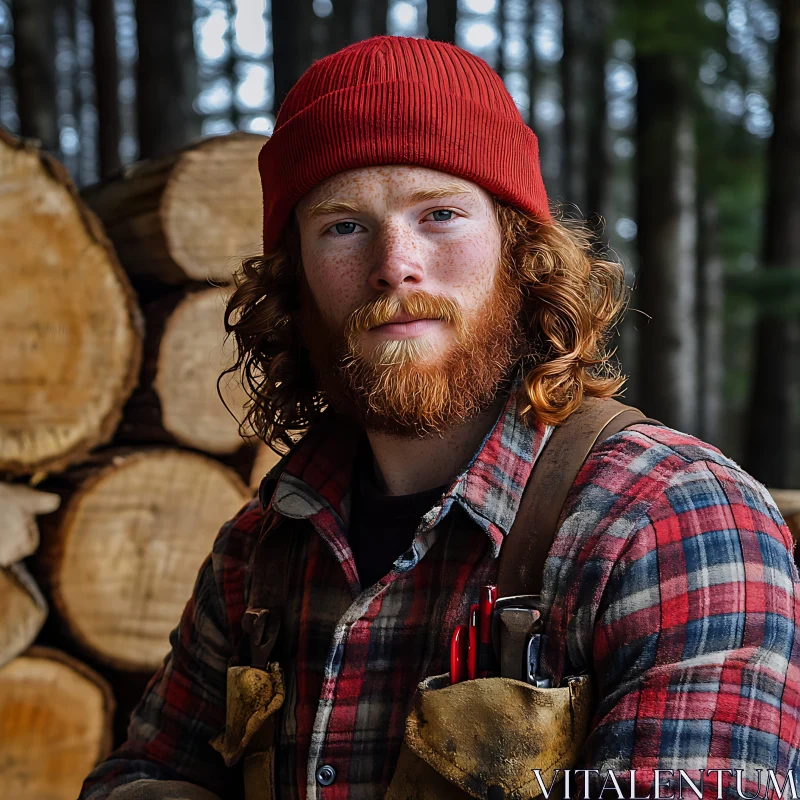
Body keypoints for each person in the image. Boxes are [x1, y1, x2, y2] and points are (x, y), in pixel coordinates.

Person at [79, 36, 800, 800]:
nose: (395, 262)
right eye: (343, 226)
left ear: (522, 253)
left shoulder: (671, 520)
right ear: (294, 281)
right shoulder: (261, 551)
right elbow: (137, 777)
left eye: (442, 214)